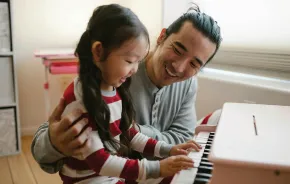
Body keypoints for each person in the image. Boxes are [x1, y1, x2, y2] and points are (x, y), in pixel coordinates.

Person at [31, 3, 222, 178]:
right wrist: (54, 142)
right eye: (178, 50)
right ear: (162, 37)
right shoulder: (114, 72)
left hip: (147, 170)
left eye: (195, 63)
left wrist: (128, 131)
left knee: (218, 120)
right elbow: (45, 146)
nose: (179, 67)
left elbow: (182, 138)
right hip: (117, 174)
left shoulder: (188, 84)